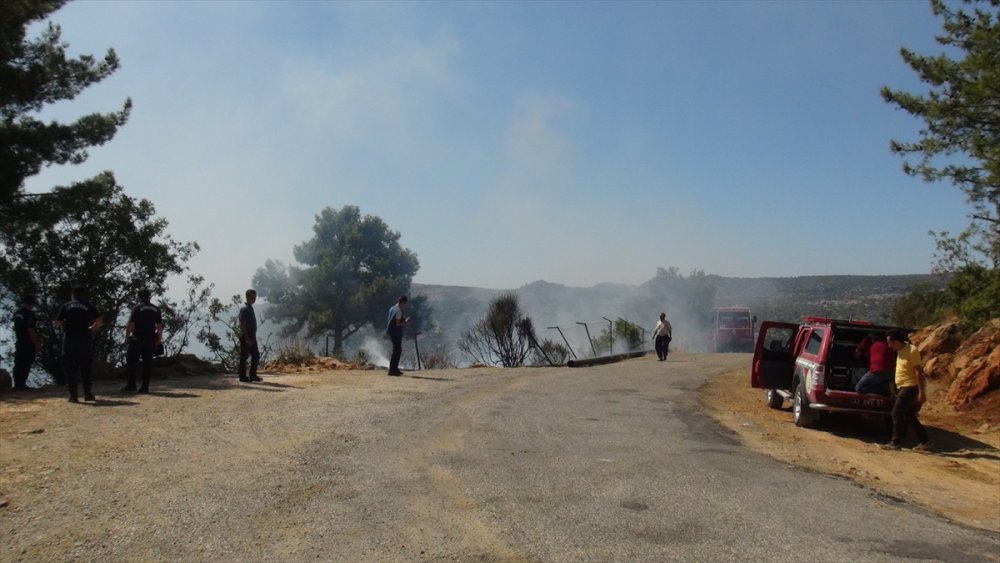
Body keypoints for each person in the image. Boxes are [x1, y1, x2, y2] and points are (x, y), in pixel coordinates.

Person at [882, 330, 931, 451]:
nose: (889, 346)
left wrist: (921, 392)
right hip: (902, 386)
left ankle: (895, 442)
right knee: (908, 414)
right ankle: (925, 441)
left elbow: (918, 372)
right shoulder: (900, 350)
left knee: (896, 412)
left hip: (910, 386)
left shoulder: (912, 351)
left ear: (897, 341)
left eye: (890, 343)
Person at [54, 285, 104, 403]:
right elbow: (99, 318)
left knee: (70, 368)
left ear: (73, 295)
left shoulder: (66, 305)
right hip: (84, 339)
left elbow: (58, 321)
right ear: (83, 295)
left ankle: (73, 396)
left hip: (70, 340)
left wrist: (62, 327)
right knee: (86, 367)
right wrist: (93, 328)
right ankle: (88, 394)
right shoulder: (87, 305)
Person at [122, 288, 164, 394]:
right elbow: (159, 326)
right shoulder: (156, 309)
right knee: (147, 363)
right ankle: (145, 387)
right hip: (150, 339)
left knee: (131, 361)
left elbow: (131, 324)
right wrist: (159, 339)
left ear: (139, 297)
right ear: (149, 296)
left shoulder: (137, 308)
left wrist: (126, 338)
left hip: (137, 338)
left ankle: (131, 384)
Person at [12, 294, 40, 391]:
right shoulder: (29, 315)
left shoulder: (17, 314)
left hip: (19, 341)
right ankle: (22, 385)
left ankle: (17, 384)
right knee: (26, 363)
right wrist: (37, 344)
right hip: (28, 343)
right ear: (31, 303)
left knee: (18, 363)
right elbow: (30, 330)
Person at [238, 289, 262, 382]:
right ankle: (242, 377)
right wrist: (247, 338)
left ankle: (253, 375)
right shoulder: (244, 309)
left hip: (252, 336)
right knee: (244, 356)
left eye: (255, 297)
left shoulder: (250, 308)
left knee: (255, 355)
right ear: (247, 297)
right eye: (252, 296)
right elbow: (242, 324)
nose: (254, 298)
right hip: (246, 336)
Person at [385, 296, 410, 376]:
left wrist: (402, 319)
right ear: (403, 302)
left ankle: (394, 369)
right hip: (396, 333)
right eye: (405, 304)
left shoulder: (392, 308)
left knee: (396, 350)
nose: (404, 306)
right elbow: (397, 323)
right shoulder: (399, 311)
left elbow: (394, 319)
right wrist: (405, 322)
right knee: (397, 351)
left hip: (391, 331)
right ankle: (392, 370)